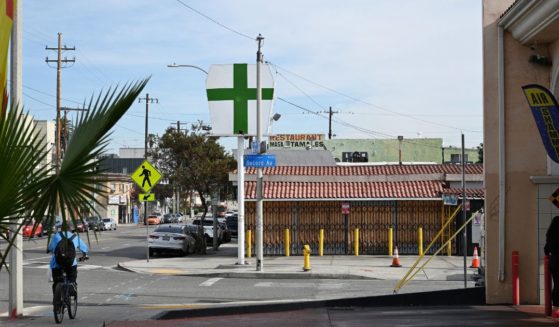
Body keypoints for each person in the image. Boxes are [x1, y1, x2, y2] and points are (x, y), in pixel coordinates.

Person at [48, 229, 89, 298]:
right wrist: (84, 255)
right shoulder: (75, 236)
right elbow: (84, 248)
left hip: (57, 264)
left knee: (56, 282)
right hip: (71, 264)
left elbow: (50, 248)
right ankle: (72, 286)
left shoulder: (56, 236)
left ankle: (56, 303)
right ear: (70, 229)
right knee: (72, 279)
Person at [545, 215, 559, 317]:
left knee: (557, 284)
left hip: (555, 262)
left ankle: (556, 308)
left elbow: (546, 250)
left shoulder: (550, 235)